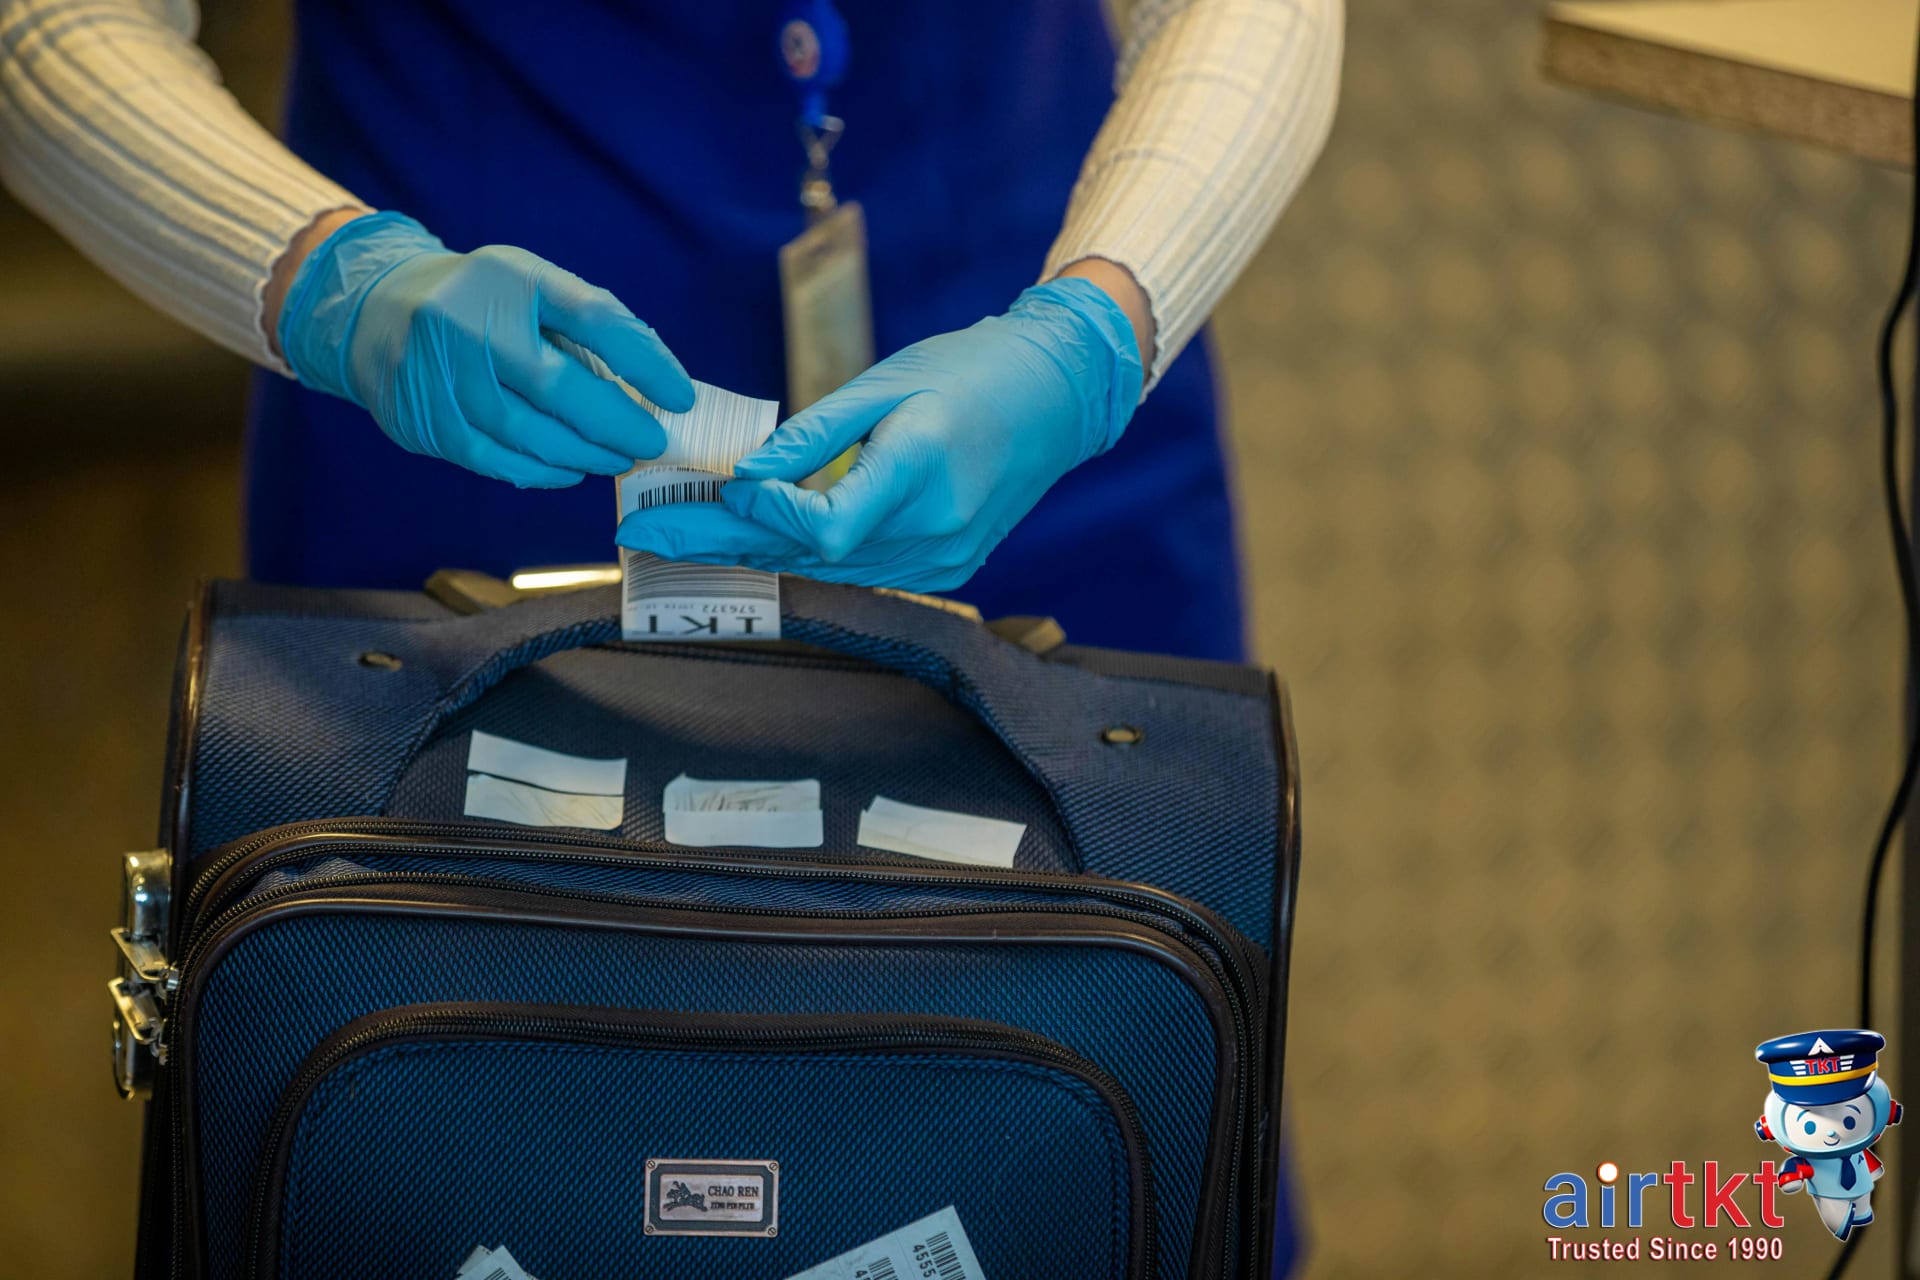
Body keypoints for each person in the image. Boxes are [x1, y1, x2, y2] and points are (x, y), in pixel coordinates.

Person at [1, 0, 1339, 1268]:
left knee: (1108, 1142)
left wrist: (1097, 328)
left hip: (1031, 390)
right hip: (469, 421)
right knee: (446, 1168)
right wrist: (322, 281)